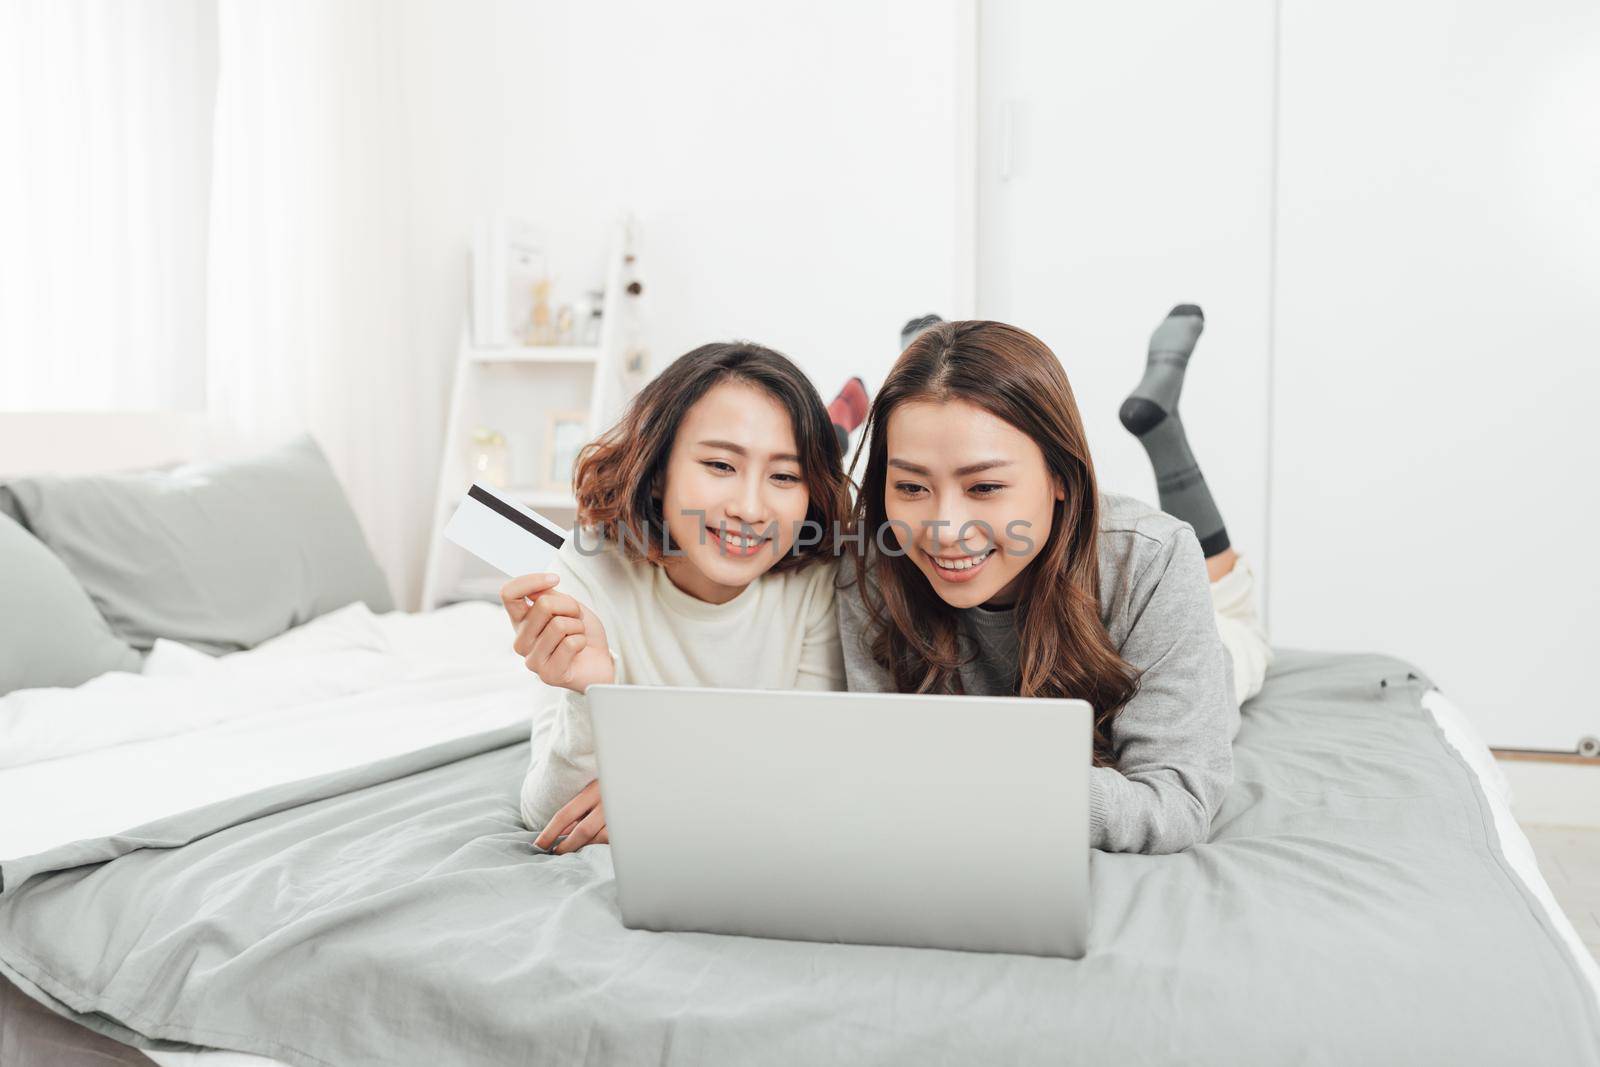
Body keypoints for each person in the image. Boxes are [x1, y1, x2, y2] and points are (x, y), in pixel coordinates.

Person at [836, 317, 1272, 854]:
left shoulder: (1153, 560)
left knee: (1228, 599)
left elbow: (1174, 801)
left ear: (1061, 476)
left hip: (1210, 628)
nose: (944, 531)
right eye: (910, 485)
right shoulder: (875, 556)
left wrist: (989, 784)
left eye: (985, 486)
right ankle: (933, 355)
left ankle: (1166, 432)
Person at [502, 341, 850, 854]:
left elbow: (811, 773)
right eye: (720, 465)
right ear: (659, 470)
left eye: (784, 476)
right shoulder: (587, 567)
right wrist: (592, 693)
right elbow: (549, 813)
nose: (750, 509)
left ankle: (843, 418)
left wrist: (659, 786)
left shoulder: (821, 580)